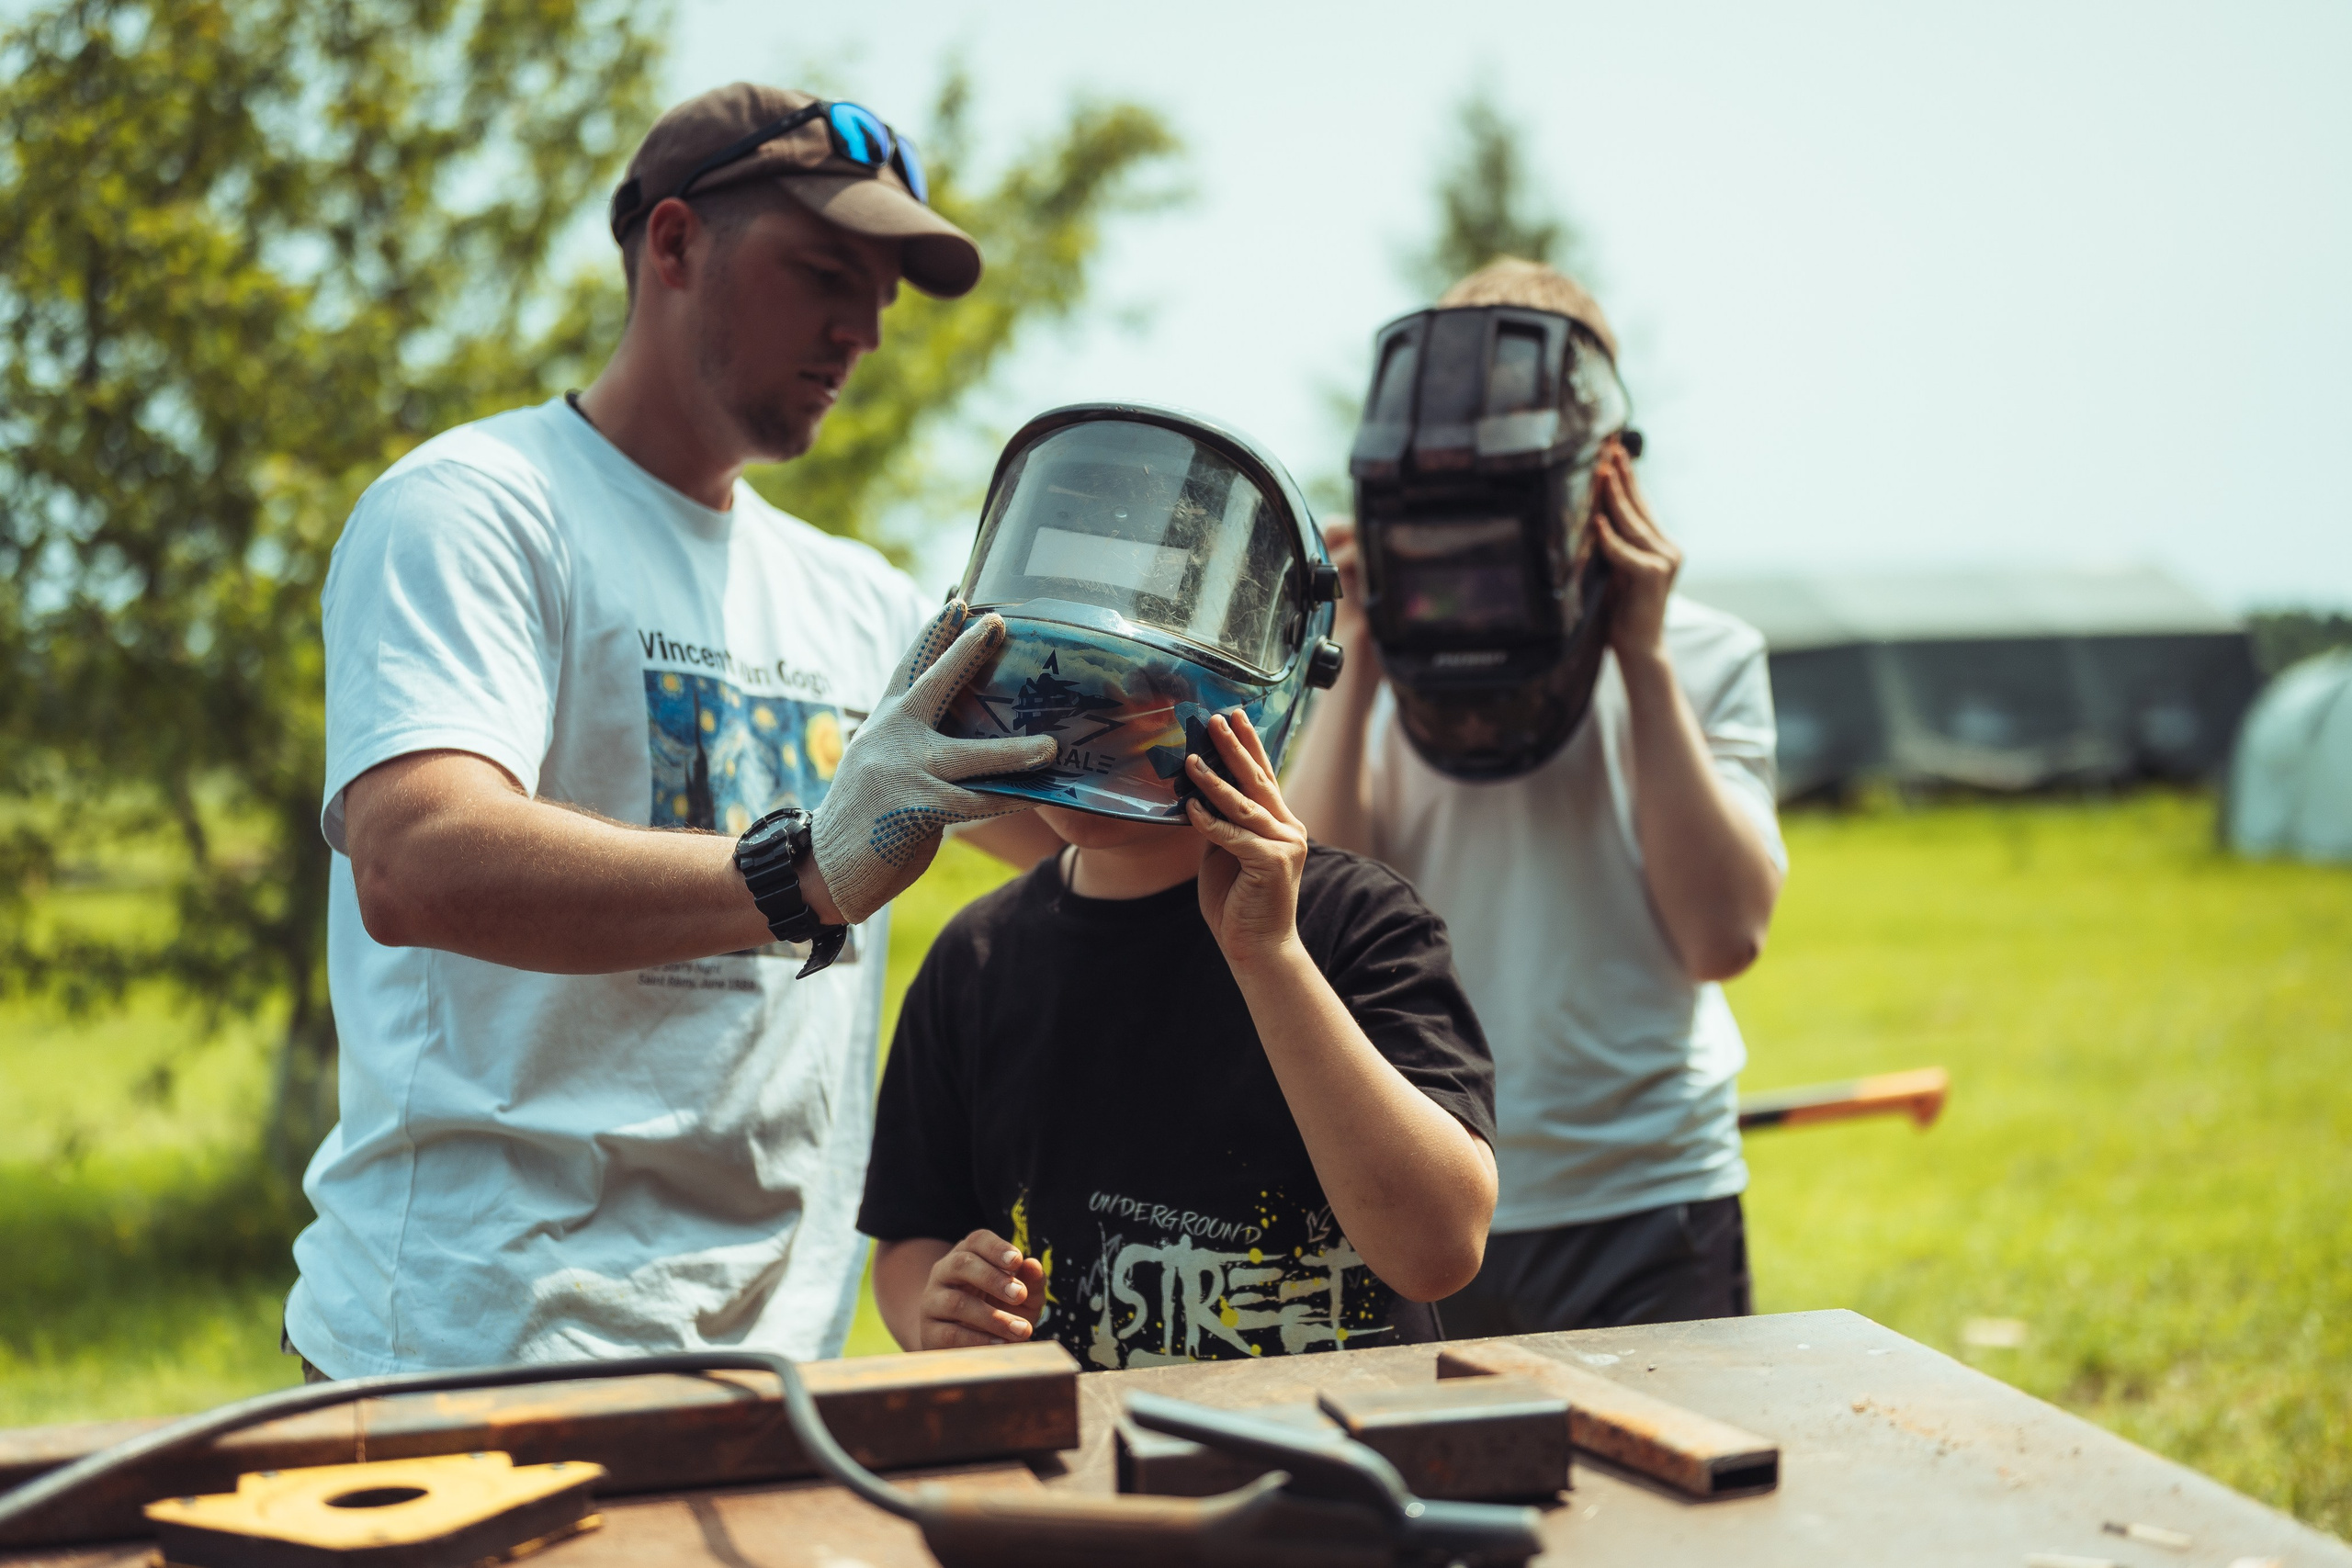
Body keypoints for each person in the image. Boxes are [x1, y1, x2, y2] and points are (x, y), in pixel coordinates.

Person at [283, 83, 1064, 1379]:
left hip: (776, 1372)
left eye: (884, 297)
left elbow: (1080, 831)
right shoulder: (477, 509)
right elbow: (414, 858)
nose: (863, 329)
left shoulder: (861, 600)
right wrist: (803, 871)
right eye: (825, 270)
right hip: (466, 1351)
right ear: (674, 244)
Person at [1286, 258, 1787, 1335]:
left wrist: (1641, 660)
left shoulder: (1706, 657)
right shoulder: (1350, 668)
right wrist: (1363, 648)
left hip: (1645, 1196)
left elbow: (1722, 936)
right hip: (1418, 1188)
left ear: (1606, 470)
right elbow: (1312, 912)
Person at [857, 706, 1498, 1367]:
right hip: (1085, 1464)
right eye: (1054, 689)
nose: (1083, 728)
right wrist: (936, 1317)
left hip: (1342, 1457)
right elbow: (913, 1237)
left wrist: (1270, 954)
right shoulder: (974, 958)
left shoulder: (1356, 921)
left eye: (1135, 694)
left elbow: (1437, 1252)